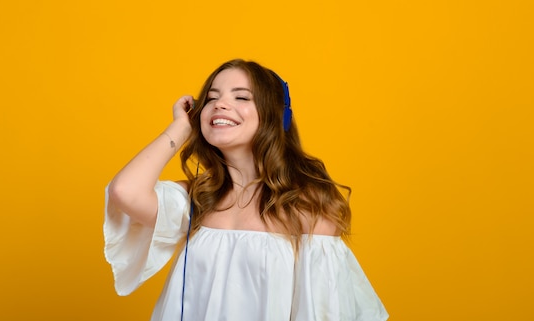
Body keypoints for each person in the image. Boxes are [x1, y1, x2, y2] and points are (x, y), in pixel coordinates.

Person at [104, 59, 389, 321]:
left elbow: (323, 311)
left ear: (276, 117)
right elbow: (125, 192)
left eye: (241, 97)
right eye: (212, 98)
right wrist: (181, 127)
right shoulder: (197, 201)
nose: (220, 104)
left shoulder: (306, 207)